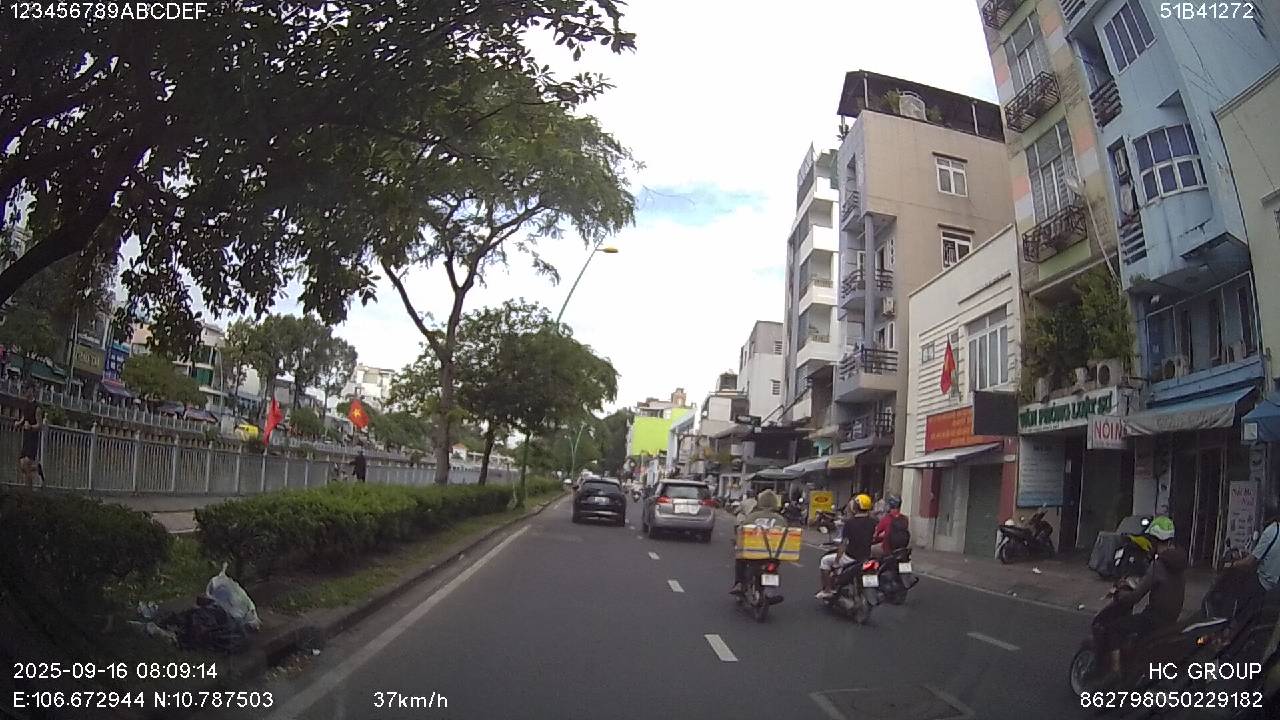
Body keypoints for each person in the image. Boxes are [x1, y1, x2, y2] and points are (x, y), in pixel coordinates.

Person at [1091, 516, 1186, 685]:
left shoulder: (1159, 565)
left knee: (1114, 629)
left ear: (1155, 540)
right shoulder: (1179, 564)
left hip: (1153, 618)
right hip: (1171, 619)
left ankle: (1115, 672)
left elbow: (1135, 597)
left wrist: (1120, 595)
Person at [1220, 505, 1280, 618]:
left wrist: (1232, 564)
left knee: (1239, 592)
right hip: (1275, 586)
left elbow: (1250, 562)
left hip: (1264, 583)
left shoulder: (1272, 530)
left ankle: (1235, 623)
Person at [817, 494, 877, 599]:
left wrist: (836, 561)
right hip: (866, 557)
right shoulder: (874, 522)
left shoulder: (850, 523)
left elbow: (843, 544)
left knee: (825, 561)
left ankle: (827, 590)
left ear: (855, 507)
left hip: (850, 557)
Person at [730, 489, 788, 595]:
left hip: (754, 552)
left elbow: (742, 531)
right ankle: (769, 591)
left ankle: (739, 583)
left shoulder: (753, 516)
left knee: (739, 559)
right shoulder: (780, 519)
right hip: (773, 554)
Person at [16, 390, 43, 491]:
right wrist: (19, 423)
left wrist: (31, 426)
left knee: (26, 463)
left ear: (31, 390)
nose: (25, 393)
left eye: (26, 389)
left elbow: (40, 425)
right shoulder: (25, 405)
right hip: (26, 437)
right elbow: (24, 418)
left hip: (33, 438)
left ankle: (29, 490)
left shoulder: (37, 407)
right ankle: (37, 468)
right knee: (22, 464)